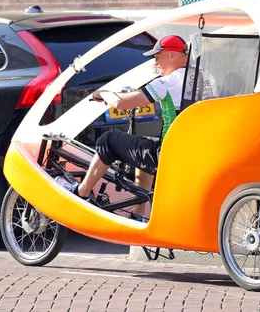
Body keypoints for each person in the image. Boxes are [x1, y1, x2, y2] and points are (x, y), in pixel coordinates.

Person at [65, 35, 189, 220]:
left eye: (158, 56)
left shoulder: (166, 83)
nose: (155, 61)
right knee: (143, 146)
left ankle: (81, 191)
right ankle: (140, 213)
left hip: (168, 153)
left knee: (108, 140)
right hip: (191, 151)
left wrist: (104, 93)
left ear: (172, 55)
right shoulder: (204, 77)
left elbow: (122, 103)